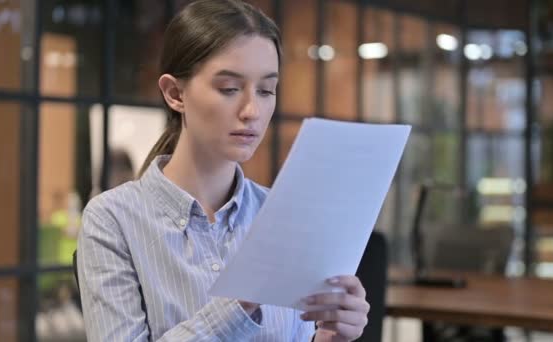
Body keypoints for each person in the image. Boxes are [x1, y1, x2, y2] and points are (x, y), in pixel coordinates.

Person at [76, 0, 370, 341]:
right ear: (175, 93)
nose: (252, 111)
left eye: (266, 90)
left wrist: (332, 337)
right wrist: (236, 303)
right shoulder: (112, 220)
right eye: (230, 89)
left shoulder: (284, 214)